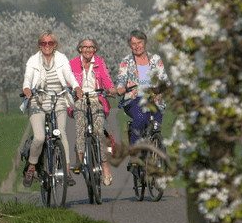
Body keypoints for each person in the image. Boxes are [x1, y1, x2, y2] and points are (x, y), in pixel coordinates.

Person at [22, 30, 82, 188]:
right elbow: (28, 77)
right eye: (44, 43)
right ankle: (32, 166)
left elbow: (69, 75)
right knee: (39, 137)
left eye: (50, 43)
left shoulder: (61, 58)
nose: (47, 46)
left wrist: (76, 86)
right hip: (38, 101)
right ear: (39, 45)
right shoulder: (33, 61)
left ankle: (66, 170)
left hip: (58, 100)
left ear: (55, 45)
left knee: (61, 133)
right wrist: (27, 88)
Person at [69, 34, 115, 185]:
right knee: (80, 125)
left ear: (95, 49)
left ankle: (105, 166)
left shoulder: (100, 63)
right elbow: (68, 81)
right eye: (85, 47)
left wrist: (111, 89)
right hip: (79, 100)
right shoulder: (73, 64)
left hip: (97, 99)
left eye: (90, 47)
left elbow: (107, 80)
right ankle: (79, 160)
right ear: (79, 49)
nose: (87, 50)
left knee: (99, 130)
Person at [116, 31, 170, 155]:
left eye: (139, 42)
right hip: (133, 98)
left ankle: (157, 155)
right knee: (141, 116)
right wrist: (121, 87)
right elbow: (121, 79)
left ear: (145, 43)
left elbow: (164, 78)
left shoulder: (155, 59)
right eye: (133, 43)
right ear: (130, 45)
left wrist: (164, 87)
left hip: (154, 98)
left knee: (157, 124)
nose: (137, 46)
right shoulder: (126, 61)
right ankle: (135, 152)